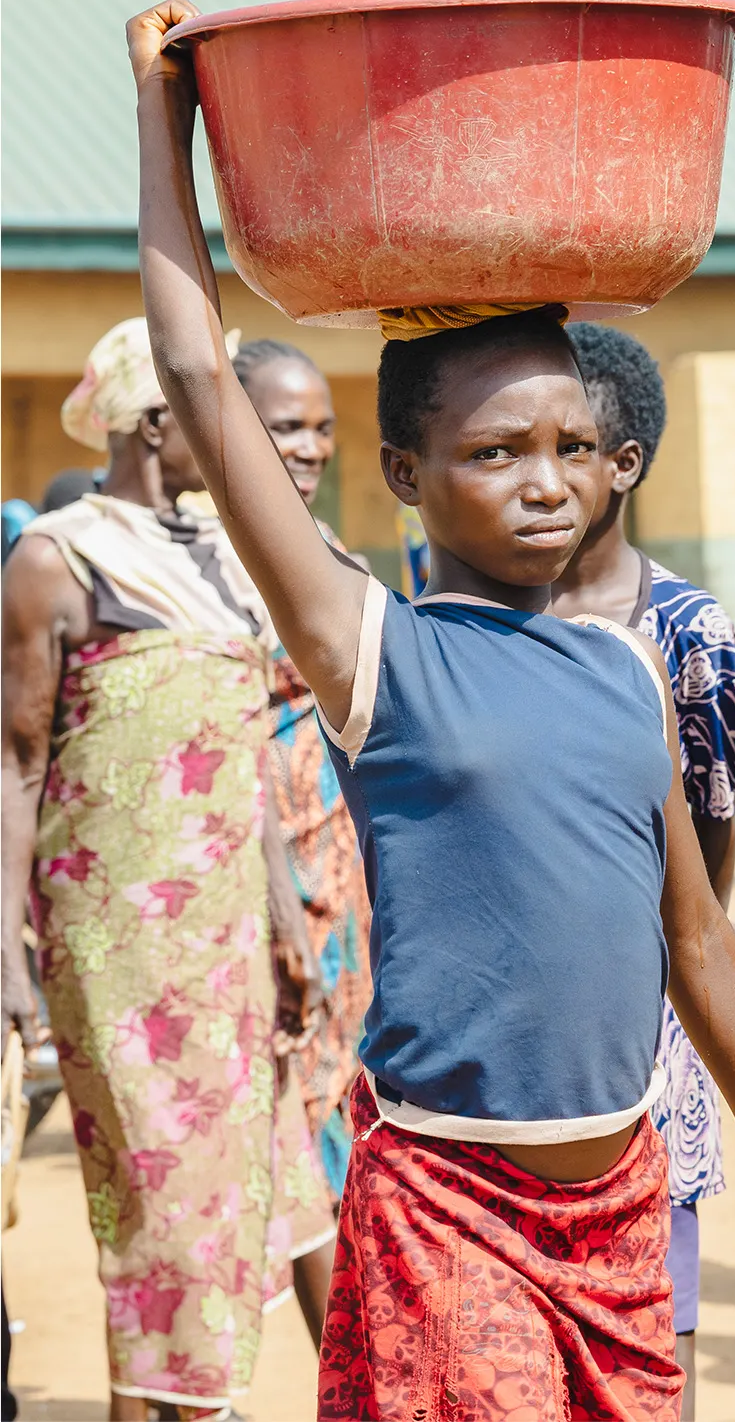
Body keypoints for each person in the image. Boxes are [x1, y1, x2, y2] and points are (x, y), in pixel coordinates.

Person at [131, 0, 735, 1422]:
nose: (547, 481)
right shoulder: (373, 652)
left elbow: (695, 946)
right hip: (450, 1208)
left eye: (575, 447)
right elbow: (201, 382)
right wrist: (163, 116)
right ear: (404, 472)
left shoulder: (627, 668)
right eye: (495, 450)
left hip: (624, 1210)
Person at [0, 318, 336, 1421]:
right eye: (210, 413)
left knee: (269, 1185)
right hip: (122, 954)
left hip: (234, 933)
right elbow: (14, 766)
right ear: (160, 422)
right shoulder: (60, 556)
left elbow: (239, 760)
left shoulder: (224, 556)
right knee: (159, 1203)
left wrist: (285, 914)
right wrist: (7, 948)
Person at [552, 322, 735, 1416]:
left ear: (623, 464)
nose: (539, 479)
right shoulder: (493, 615)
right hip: (528, 1025)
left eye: (567, 447)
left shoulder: (683, 628)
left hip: (650, 1023)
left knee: (652, 1337)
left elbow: (714, 821)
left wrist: (703, 948)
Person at [232, 339, 373, 1200]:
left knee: (345, 1108)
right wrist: (280, 899)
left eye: (321, 427)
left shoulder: (322, 545)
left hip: (342, 871)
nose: (311, 446)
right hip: (264, 873)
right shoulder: (211, 556)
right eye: (285, 427)